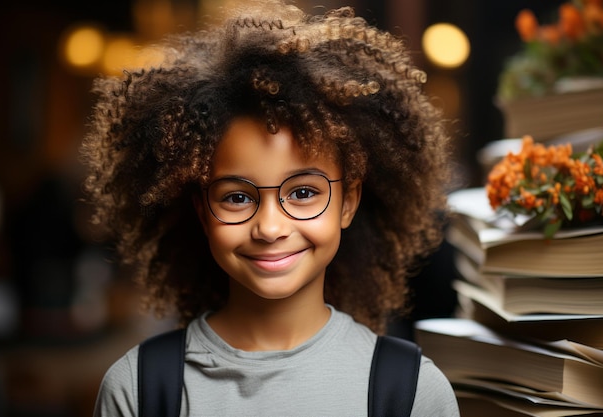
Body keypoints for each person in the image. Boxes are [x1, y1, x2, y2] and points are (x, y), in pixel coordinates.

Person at [83, 0, 459, 415]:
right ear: (202, 210)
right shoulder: (138, 390)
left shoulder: (411, 392)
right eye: (237, 197)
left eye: (302, 193)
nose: (270, 227)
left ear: (348, 202)